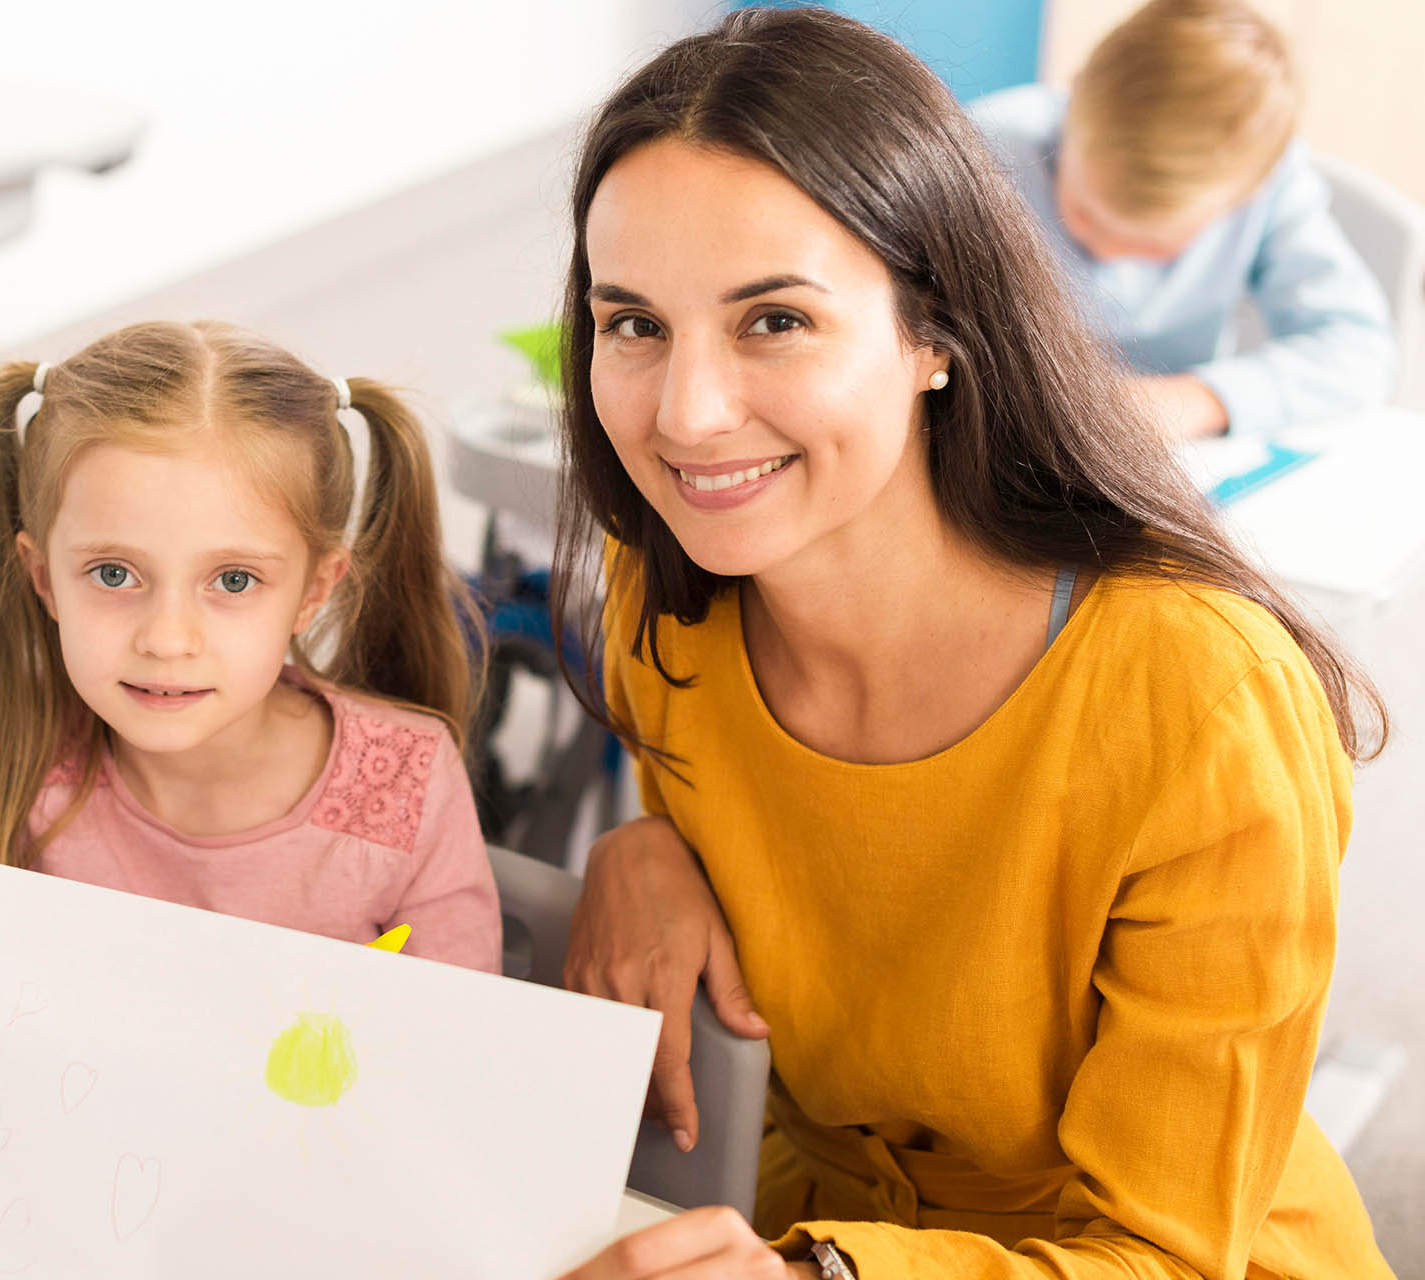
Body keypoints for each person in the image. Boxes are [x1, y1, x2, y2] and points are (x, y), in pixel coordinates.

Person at [550, 8, 1393, 1277]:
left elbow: (1163, 1250)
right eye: (634, 322)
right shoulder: (661, 590)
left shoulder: (1202, 698)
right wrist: (644, 842)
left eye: (773, 319)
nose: (687, 413)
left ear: (935, 330)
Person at [0, 321, 500, 1129]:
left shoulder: (405, 776)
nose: (166, 638)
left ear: (314, 589)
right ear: (41, 576)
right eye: (114, 573)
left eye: (233, 579)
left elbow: (456, 1078)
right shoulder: (3, 766)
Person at [971, 0, 1397, 441]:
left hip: (1167, 456)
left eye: (1155, 248)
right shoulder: (980, 152)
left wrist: (1196, 401)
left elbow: (1358, 350)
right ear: (1073, 98)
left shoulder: (1273, 187)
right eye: (1083, 215)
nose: (1107, 252)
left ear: (1243, 199)